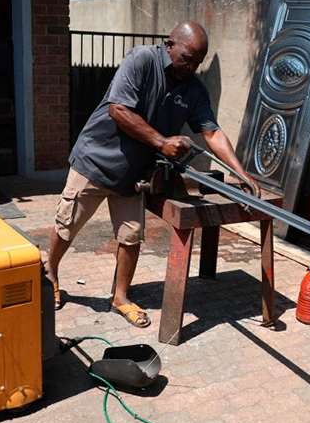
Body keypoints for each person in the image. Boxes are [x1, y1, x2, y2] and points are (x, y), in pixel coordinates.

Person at [44, 20, 260, 328]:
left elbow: (212, 133)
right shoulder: (141, 60)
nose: (191, 66)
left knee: (131, 238)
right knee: (67, 225)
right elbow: (118, 110)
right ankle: (50, 272)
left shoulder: (194, 88)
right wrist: (161, 142)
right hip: (95, 161)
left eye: (198, 62)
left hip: (133, 174)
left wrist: (242, 175)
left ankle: (120, 298)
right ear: (169, 44)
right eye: (187, 58)